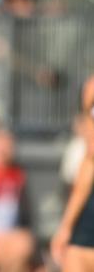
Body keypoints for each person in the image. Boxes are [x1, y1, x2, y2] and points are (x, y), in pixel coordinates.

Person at [51, 76, 94, 271]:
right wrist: (66, 225)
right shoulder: (91, 87)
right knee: (76, 256)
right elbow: (90, 156)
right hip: (87, 225)